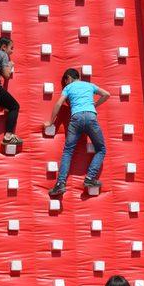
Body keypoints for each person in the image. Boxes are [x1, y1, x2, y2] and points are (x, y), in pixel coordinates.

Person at [43, 68, 110, 196]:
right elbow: (107, 94)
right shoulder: (89, 85)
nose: (66, 83)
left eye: (65, 81)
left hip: (76, 118)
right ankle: (90, 178)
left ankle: (60, 184)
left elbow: (58, 103)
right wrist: (94, 106)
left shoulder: (69, 88)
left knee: (68, 152)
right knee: (101, 149)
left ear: (69, 77)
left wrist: (51, 122)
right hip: (91, 116)